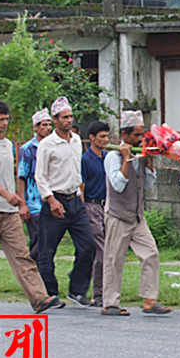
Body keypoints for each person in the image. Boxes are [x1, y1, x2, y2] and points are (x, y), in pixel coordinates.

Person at [0, 100, 61, 313]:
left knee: (22, 255)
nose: (4, 123)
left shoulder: (8, 145)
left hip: (9, 212)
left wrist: (17, 200)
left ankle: (39, 298)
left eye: (7, 119)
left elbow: (14, 176)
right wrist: (7, 194)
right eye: (0, 119)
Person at [101, 110, 169, 316]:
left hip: (137, 216)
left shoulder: (140, 156)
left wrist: (149, 163)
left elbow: (148, 183)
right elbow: (118, 185)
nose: (140, 139)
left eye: (142, 135)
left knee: (151, 253)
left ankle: (149, 299)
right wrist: (125, 159)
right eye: (136, 136)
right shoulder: (113, 157)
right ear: (124, 135)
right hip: (117, 215)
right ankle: (110, 303)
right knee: (114, 259)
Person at [35, 96, 96, 307]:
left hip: (75, 200)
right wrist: (51, 200)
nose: (69, 120)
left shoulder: (77, 140)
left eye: (71, 116)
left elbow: (76, 171)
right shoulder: (47, 145)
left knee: (88, 245)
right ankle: (50, 293)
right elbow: (40, 177)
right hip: (54, 201)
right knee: (46, 251)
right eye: (64, 117)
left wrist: (80, 195)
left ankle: (77, 290)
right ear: (55, 119)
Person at [81, 121, 110, 308]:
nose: (105, 140)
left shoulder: (108, 157)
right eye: (102, 137)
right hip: (92, 206)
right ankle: (98, 293)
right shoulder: (86, 159)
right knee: (101, 250)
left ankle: (108, 290)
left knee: (110, 250)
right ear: (92, 138)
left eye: (107, 136)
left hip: (108, 206)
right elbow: (82, 185)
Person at [16, 109, 52, 262]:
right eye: (44, 125)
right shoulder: (27, 149)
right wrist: (22, 204)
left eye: (50, 125)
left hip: (50, 199)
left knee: (49, 241)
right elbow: (21, 176)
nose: (48, 128)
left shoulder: (52, 145)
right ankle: (32, 270)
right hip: (34, 201)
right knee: (38, 239)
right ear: (36, 127)